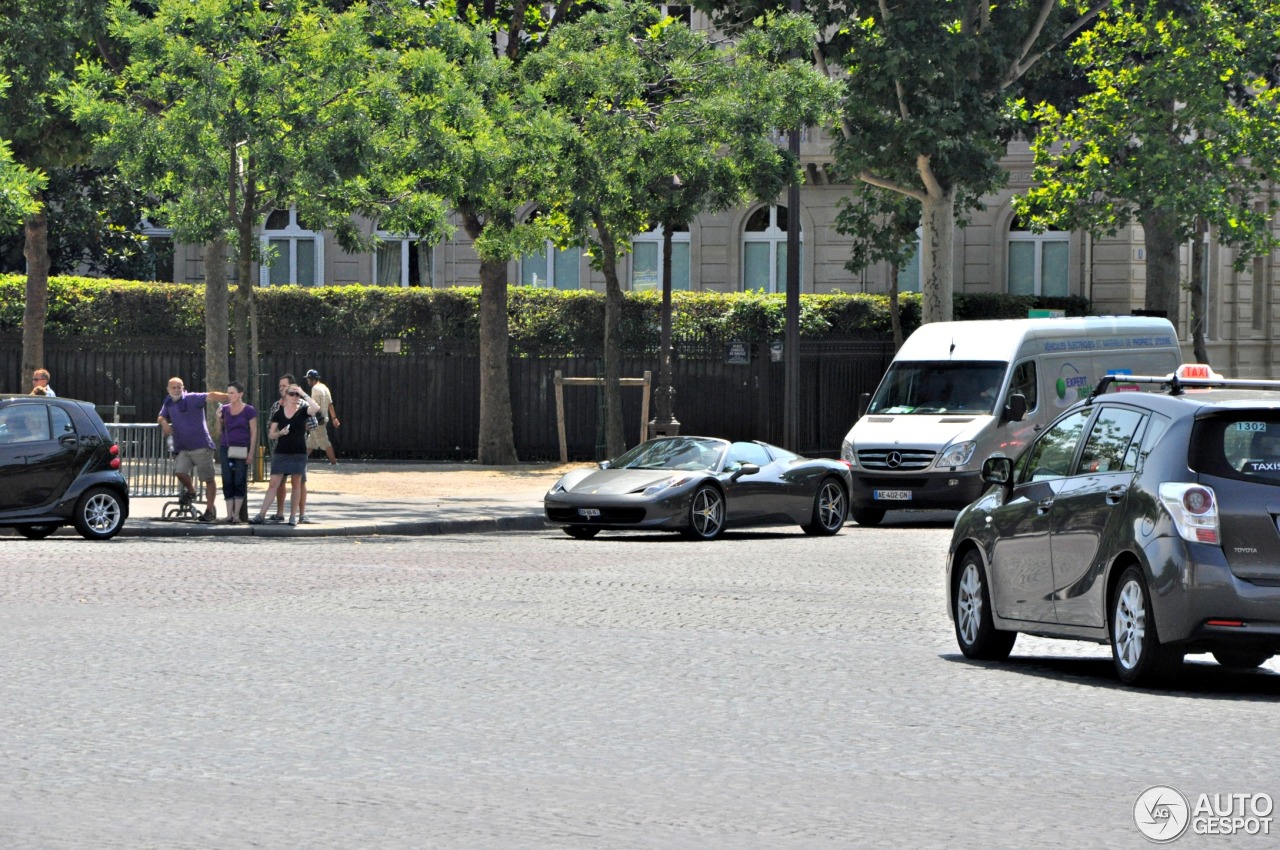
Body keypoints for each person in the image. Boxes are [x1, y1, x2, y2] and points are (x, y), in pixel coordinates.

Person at [158, 377, 230, 522]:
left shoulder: (193, 398)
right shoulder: (168, 402)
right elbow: (160, 416)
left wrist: (230, 396)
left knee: (208, 479)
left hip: (201, 446)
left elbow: (211, 395)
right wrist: (164, 422)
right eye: (174, 387)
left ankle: (209, 510)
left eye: (179, 387)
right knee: (179, 471)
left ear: (183, 388)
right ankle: (191, 491)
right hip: (183, 448)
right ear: (168, 389)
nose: (177, 390)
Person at [250, 382, 319, 526]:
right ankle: (261, 514)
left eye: (296, 394)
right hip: (282, 452)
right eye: (291, 394)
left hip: (298, 452)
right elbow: (271, 434)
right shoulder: (279, 413)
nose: (294, 396)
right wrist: (280, 433)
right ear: (285, 395)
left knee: (296, 484)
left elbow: (316, 408)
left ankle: (293, 516)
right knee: (273, 483)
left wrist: (303, 392)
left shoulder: (303, 410)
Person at [217, 381, 258, 524]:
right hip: (226, 447)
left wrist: (251, 452)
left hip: (242, 448)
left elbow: (253, 432)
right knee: (227, 479)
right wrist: (218, 418)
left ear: (240, 394)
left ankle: (236, 515)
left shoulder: (249, 410)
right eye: (228, 393)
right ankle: (229, 514)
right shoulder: (224, 409)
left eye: (232, 393)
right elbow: (219, 431)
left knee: (239, 479)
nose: (230, 395)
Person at [304, 368, 340, 466]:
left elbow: (314, 406)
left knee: (325, 441)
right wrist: (334, 418)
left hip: (317, 420)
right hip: (324, 419)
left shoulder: (315, 389)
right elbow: (330, 404)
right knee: (310, 442)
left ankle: (334, 463)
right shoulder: (325, 388)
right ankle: (300, 461)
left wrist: (308, 419)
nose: (307, 381)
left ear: (312, 379)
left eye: (308, 379)